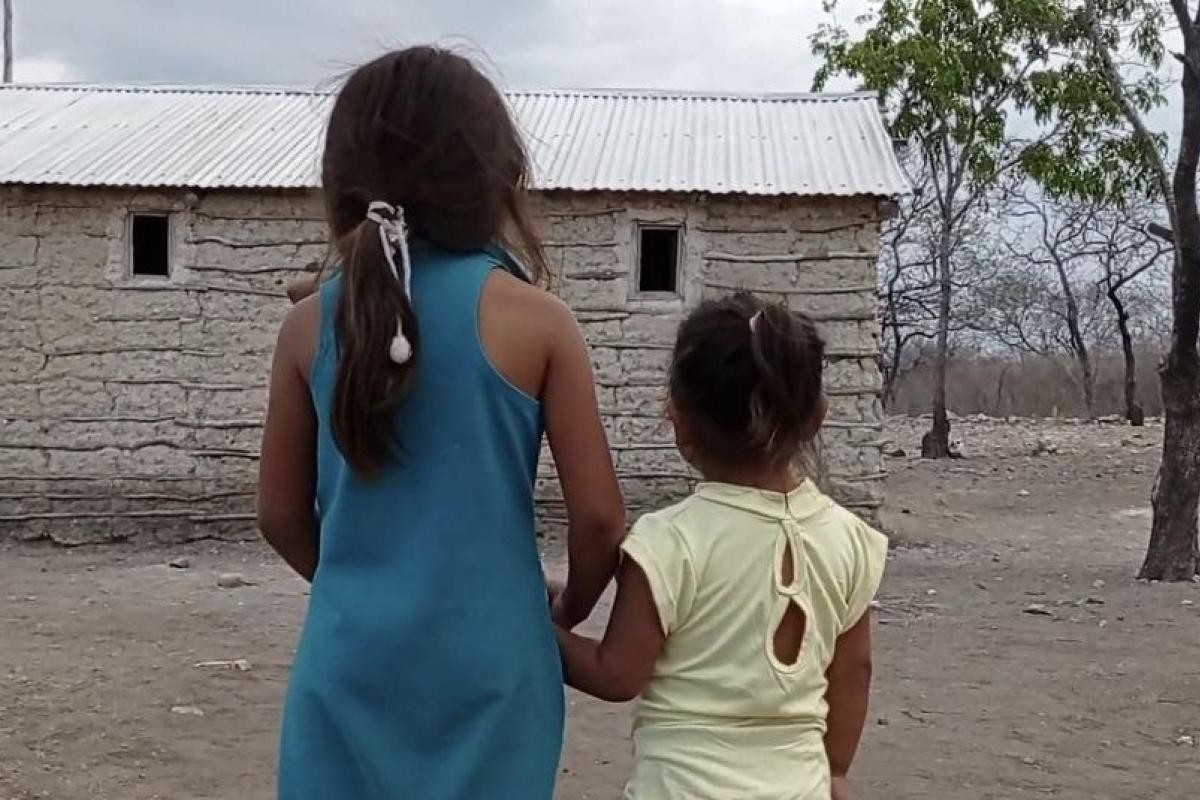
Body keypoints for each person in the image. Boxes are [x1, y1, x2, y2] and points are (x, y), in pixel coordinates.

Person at [256, 46, 625, 800]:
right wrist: (566, 607)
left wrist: (361, 589)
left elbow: (279, 515)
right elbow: (598, 519)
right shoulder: (539, 323)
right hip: (494, 667)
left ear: (341, 181)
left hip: (349, 661)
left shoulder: (306, 327)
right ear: (498, 177)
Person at [552, 294, 888, 800]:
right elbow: (854, 669)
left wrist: (531, 632)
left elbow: (615, 673)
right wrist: (835, 770)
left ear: (678, 419)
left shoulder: (670, 541)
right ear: (818, 416)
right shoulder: (850, 540)